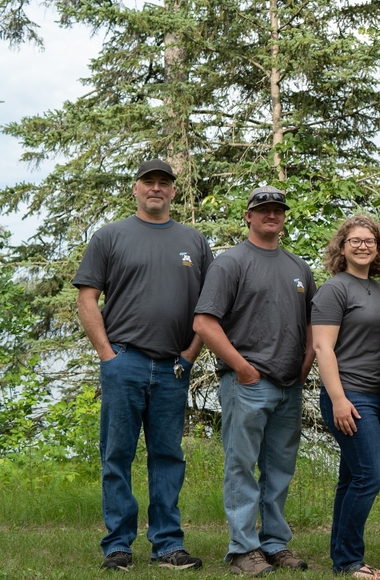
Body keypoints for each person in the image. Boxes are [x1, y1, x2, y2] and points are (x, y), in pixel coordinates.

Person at [74, 159, 212, 571]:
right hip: (125, 362)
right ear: (135, 188)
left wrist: (190, 355)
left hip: (173, 367)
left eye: (164, 183)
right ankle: (118, 545)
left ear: (173, 191)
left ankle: (168, 545)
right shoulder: (110, 237)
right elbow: (87, 299)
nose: (156, 188)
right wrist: (108, 357)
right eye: (148, 182)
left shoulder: (194, 241)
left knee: (168, 455)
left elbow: (210, 308)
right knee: (116, 455)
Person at [193, 185, 315, 576]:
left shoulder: (299, 267)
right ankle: (243, 549)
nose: (271, 215)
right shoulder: (230, 263)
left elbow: (313, 323)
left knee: (279, 469)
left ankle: (275, 543)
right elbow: (204, 323)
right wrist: (242, 367)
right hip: (247, 384)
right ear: (248, 216)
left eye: (278, 209)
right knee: (241, 466)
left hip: (288, 385)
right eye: (263, 209)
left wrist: (307, 359)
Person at [313, 215, 380, 579]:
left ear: (378, 248)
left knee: (350, 478)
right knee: (370, 476)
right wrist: (339, 399)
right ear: (342, 247)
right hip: (350, 396)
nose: (363, 246)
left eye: (370, 241)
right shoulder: (335, 289)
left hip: (378, 398)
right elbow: (322, 347)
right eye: (355, 240)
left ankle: (340, 556)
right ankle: (349, 560)